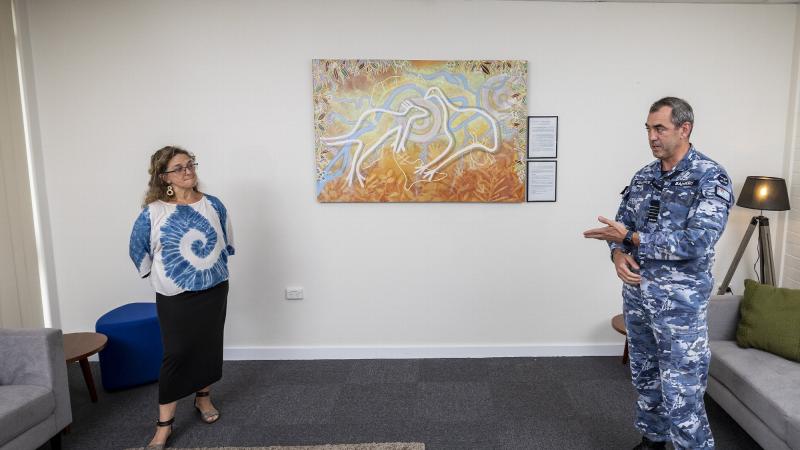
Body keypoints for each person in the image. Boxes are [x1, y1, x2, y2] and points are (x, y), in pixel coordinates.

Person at [583, 97, 733, 450]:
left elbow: (697, 241)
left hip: (679, 308)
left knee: (682, 391)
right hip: (638, 299)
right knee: (646, 377)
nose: (651, 136)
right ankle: (653, 440)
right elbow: (622, 229)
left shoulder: (709, 176)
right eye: (649, 129)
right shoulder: (644, 176)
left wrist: (632, 239)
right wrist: (618, 254)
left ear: (685, 129)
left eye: (659, 128)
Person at [129, 146, 235, 450]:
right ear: (164, 177)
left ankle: (203, 399)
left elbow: (226, 241)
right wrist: (162, 276)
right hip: (175, 296)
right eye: (179, 168)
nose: (188, 171)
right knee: (176, 353)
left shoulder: (213, 204)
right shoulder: (154, 212)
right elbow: (138, 250)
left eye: (190, 165)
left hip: (214, 289)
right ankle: (164, 425)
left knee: (208, 346)